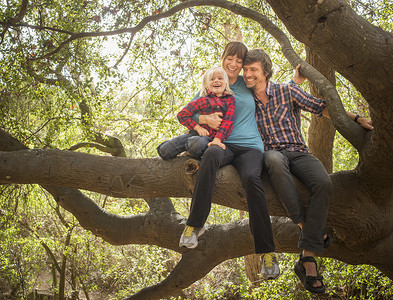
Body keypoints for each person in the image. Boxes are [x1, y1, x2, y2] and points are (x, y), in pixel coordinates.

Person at [242, 49, 373, 293]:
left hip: (298, 151)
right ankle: (306, 238)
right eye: (245, 70)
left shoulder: (286, 90)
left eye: (253, 70)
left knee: (324, 183)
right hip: (271, 153)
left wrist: (356, 119)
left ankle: (305, 254)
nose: (247, 74)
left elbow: (321, 107)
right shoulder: (245, 100)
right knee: (272, 160)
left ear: (265, 72)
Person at [177, 42, 280, 280]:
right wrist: (204, 118)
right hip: (221, 144)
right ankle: (195, 224)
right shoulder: (211, 82)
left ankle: (267, 252)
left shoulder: (247, 84)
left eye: (239, 61)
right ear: (222, 58)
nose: (233, 64)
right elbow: (189, 112)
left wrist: (297, 82)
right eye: (229, 58)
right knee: (210, 155)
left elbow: (274, 91)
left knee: (253, 179)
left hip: (250, 147)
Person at [157, 67, 235, 160]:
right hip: (194, 134)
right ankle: (185, 148)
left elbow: (228, 122)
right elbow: (182, 115)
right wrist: (198, 128)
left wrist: (217, 140)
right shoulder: (202, 100)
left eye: (220, 78)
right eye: (212, 79)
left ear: (226, 84)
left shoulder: (230, 100)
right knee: (164, 151)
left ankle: (191, 150)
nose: (216, 81)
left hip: (209, 139)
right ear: (206, 85)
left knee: (197, 143)